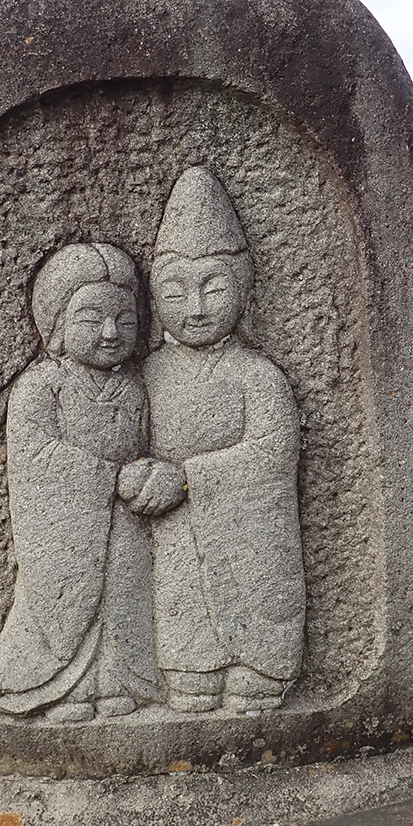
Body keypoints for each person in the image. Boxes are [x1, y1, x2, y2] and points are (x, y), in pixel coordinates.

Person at [0, 243, 176, 722]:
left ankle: (119, 683)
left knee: (124, 598)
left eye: (124, 320)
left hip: (127, 522)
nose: (110, 334)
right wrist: (111, 477)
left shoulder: (137, 386)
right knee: (64, 604)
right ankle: (65, 690)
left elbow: (156, 444)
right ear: (58, 325)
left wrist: (154, 474)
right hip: (65, 530)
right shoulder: (42, 386)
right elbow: (38, 455)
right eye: (91, 320)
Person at [143, 167, 307, 714]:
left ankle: (260, 668)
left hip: (251, 534)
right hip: (175, 536)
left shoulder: (257, 376)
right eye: (175, 291)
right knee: (188, 660)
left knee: (253, 683)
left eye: (213, 288)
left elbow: (273, 452)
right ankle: (190, 671)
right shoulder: (146, 377)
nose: (194, 307)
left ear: (242, 288)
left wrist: (189, 476)